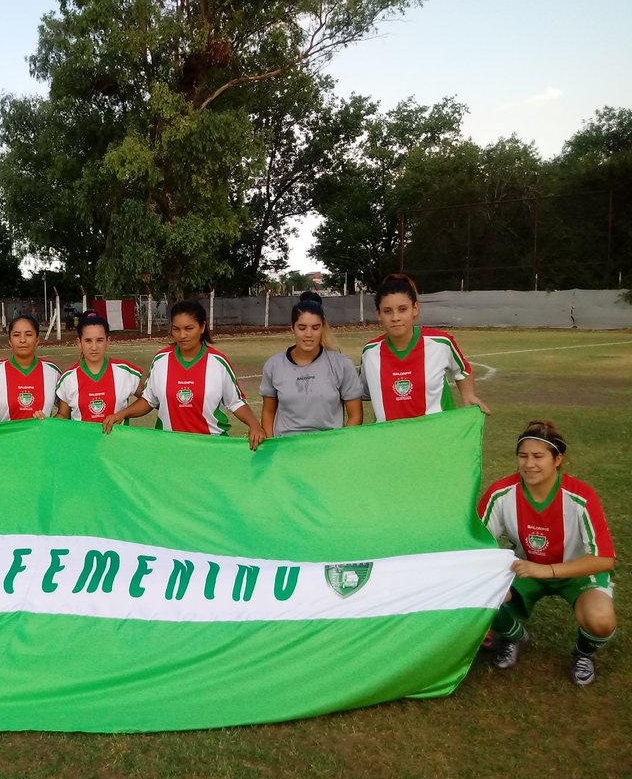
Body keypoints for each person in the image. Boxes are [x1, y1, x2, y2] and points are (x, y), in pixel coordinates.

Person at [480, 420, 617, 686]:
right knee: (480, 593)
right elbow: (477, 544)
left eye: (538, 456)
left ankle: (584, 653)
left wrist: (548, 570)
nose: (529, 464)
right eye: (523, 456)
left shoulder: (580, 496)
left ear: (557, 459)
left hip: (577, 572)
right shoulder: (501, 493)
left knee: (600, 619)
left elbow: (604, 559)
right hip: (526, 569)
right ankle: (515, 636)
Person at [103, 299, 266, 449]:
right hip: (169, 447)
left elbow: (235, 402)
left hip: (211, 448)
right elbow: (149, 400)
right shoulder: (161, 360)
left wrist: (254, 425)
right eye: (176, 329)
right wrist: (122, 414)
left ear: (202, 327)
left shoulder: (218, 362)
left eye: (189, 328)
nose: (182, 335)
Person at [360, 274, 489, 422]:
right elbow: (363, 392)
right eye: (387, 311)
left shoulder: (441, 343)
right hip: (389, 435)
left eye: (402, 309)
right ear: (378, 314)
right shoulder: (370, 353)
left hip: (438, 432)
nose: (395, 317)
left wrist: (468, 395)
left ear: (415, 308)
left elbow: (462, 371)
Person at [260, 292, 363, 437]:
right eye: (302, 328)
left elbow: (356, 416)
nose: (309, 334)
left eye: (315, 328)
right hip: (286, 447)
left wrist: (339, 444)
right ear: (292, 328)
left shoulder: (342, 364)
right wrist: (272, 446)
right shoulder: (273, 366)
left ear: (323, 327)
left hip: (328, 447)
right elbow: (268, 412)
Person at [55, 310, 143, 423]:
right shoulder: (68, 378)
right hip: (82, 436)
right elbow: (63, 415)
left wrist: (124, 413)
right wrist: (42, 423)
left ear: (108, 341)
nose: (94, 347)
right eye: (88, 341)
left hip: (118, 436)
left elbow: (148, 400)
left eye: (99, 340)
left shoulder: (125, 372)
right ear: (79, 343)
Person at [0, 314, 61, 421]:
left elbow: (66, 412)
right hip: (4, 432)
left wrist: (47, 424)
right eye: (16, 335)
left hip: (41, 433)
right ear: (9, 341)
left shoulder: (53, 372)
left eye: (29, 334)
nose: (22, 340)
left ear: (37, 340)